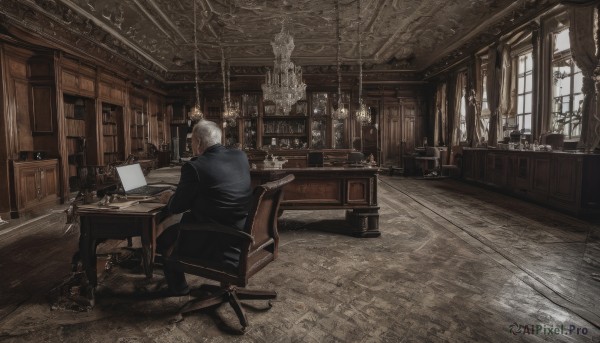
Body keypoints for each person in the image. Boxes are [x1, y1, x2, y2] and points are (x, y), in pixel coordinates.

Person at [156, 119, 252, 296]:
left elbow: (177, 207)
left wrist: (170, 197)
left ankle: (179, 288)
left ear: (198, 142)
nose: (191, 145)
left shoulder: (194, 167)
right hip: (244, 231)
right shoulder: (240, 156)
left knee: (164, 237)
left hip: (218, 237)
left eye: (192, 141)